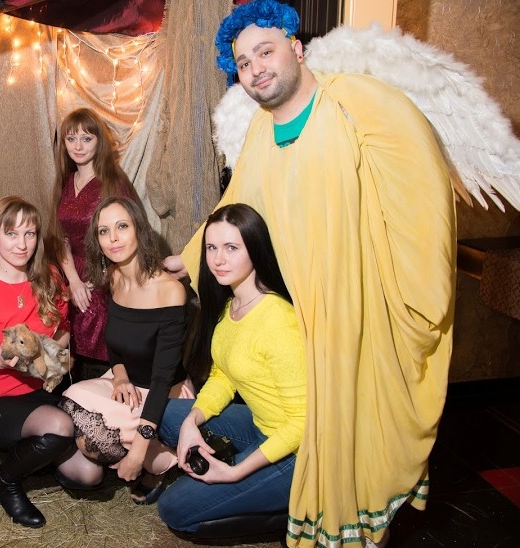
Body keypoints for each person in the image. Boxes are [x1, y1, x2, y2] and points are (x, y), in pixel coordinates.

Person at [163, 1, 456, 545]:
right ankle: (283, 478)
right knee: (282, 409)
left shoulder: (357, 103)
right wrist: (192, 253)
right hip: (296, 306)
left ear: (296, 49)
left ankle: (324, 503)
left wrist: (408, 289)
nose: (256, 69)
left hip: (354, 308)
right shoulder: (260, 130)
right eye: (244, 63)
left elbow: (421, 186)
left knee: (348, 426)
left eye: (265, 52)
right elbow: (239, 202)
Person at [0, 196, 101, 528]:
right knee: (59, 427)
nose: (22, 244)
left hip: (40, 391)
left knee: (90, 475)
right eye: (12, 234)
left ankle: (37, 455)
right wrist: (0, 362)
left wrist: (53, 355)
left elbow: (63, 331)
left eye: (29, 234)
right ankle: (5, 483)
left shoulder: (49, 276)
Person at [157, 203, 306, 533]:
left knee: (173, 510)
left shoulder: (278, 322)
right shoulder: (231, 305)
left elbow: (301, 423)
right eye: (211, 248)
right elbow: (222, 376)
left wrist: (236, 472)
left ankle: (295, 516)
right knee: (167, 415)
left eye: (231, 248)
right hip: (258, 423)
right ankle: (229, 468)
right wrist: (192, 422)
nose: (218, 259)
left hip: (296, 452)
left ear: (255, 249)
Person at [58, 196, 191, 504]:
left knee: (94, 437)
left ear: (139, 229)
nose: (113, 238)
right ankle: (150, 445)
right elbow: (115, 344)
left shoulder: (170, 291)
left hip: (165, 393)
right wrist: (119, 377)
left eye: (122, 227)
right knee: (68, 404)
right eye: (104, 231)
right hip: (125, 383)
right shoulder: (115, 277)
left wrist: (137, 453)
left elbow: (163, 378)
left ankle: (161, 459)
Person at [46, 108, 138, 374]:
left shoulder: (113, 182)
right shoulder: (65, 181)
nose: (78, 146)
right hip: (69, 275)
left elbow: (128, 238)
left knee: (100, 349)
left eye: (86, 139)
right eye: (71, 138)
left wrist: (100, 278)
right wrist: (73, 281)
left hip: (106, 274)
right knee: (63, 353)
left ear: (99, 142)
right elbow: (59, 237)